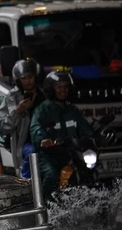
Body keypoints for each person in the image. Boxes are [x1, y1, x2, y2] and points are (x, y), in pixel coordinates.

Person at [30, 71, 95, 201]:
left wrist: (94, 137)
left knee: (87, 172)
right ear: (51, 89)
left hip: (71, 152)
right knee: (52, 176)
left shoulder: (72, 109)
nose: (63, 90)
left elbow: (84, 128)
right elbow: (35, 127)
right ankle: (44, 206)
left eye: (65, 87)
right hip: (49, 155)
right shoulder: (42, 109)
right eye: (59, 87)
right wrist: (43, 139)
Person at [0, 58, 45, 178]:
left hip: (47, 138)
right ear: (18, 80)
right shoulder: (12, 97)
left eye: (30, 77)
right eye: (24, 78)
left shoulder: (45, 95)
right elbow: (2, 125)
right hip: (26, 141)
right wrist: (18, 111)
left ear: (36, 77)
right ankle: (28, 185)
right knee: (31, 153)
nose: (28, 81)